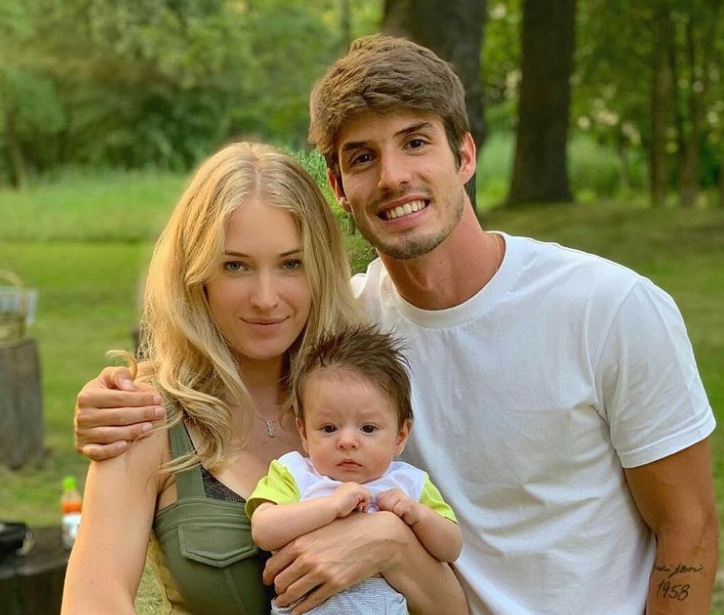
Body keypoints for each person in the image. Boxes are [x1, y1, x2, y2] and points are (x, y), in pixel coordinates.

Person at [74, 35, 718, 615]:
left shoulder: (609, 308)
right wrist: (112, 402)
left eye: (416, 141)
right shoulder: (347, 328)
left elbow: (690, 528)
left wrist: (387, 540)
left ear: (464, 153)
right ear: (338, 184)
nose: (394, 177)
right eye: (362, 158)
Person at [61, 141, 469, 615]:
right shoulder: (147, 415)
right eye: (235, 266)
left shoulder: (364, 392)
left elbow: (450, 608)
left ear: (319, 268)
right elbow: (93, 599)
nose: (265, 298)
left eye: (291, 264)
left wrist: (390, 543)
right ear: (197, 274)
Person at [247, 326, 462, 615]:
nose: (347, 441)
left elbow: (451, 548)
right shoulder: (295, 473)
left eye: (368, 428)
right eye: (328, 428)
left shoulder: (409, 483)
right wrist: (331, 506)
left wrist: (416, 514)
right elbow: (264, 530)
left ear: (401, 435)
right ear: (304, 433)